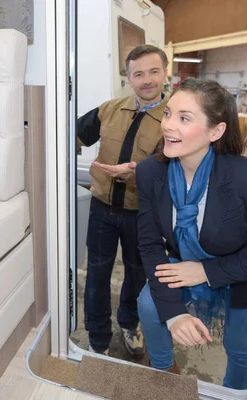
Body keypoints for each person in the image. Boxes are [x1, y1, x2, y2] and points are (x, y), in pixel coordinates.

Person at [135, 78, 247, 389]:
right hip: (182, 262)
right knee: (149, 304)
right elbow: (149, 244)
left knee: (239, 350)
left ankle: (233, 393)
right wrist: (174, 315)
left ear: (216, 131)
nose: (169, 126)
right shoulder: (150, 172)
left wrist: (205, 270)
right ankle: (163, 377)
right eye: (169, 114)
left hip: (243, 275)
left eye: (184, 118)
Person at [76, 44, 169, 356]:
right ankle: (98, 338)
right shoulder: (109, 109)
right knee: (97, 276)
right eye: (138, 73)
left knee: (137, 275)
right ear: (128, 78)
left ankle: (130, 324)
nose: (146, 80)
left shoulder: (173, 122)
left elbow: (179, 172)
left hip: (142, 215)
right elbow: (72, 134)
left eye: (153, 71)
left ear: (165, 74)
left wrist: (141, 175)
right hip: (102, 209)